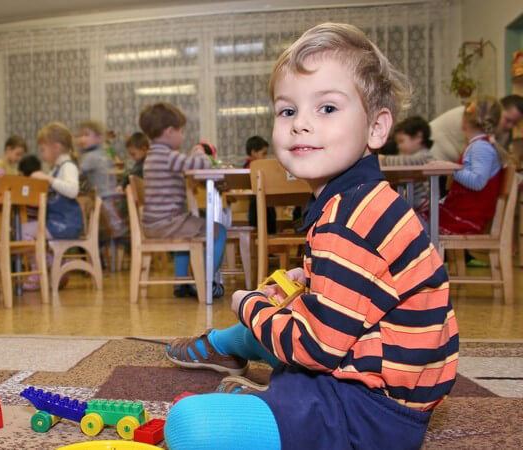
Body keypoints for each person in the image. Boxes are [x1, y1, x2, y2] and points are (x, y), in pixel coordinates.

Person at [164, 23, 456, 450]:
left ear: (377, 128)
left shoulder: (349, 220)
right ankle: (221, 349)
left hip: (367, 412)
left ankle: (244, 380)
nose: (301, 124)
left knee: (187, 424)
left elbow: (317, 348)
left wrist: (249, 304)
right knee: (280, 314)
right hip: (376, 382)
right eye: (288, 111)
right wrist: (308, 279)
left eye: (327, 109)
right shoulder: (361, 199)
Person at [139, 102, 227, 299]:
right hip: (168, 223)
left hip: (156, 224)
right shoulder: (167, 156)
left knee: (188, 233)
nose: (183, 136)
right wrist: (200, 153)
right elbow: (201, 165)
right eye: (181, 131)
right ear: (170, 131)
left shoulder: (153, 156)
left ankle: (181, 284)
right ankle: (204, 282)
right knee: (218, 231)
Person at [21, 122, 83, 290]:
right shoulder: (56, 168)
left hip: (64, 224)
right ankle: (57, 262)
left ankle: (39, 270)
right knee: (24, 229)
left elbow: (73, 190)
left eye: (43, 149)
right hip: (58, 222)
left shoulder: (67, 166)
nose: (41, 155)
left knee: (22, 231)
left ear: (56, 147)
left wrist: (48, 179)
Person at [438, 96, 507, 235]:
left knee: (412, 219)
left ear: (464, 122)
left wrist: (452, 169)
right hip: (464, 212)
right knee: (415, 216)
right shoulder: (479, 145)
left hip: (466, 216)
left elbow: (478, 182)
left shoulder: (481, 147)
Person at [430, 94, 523, 162]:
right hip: (433, 155)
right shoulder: (474, 117)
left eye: (515, 123)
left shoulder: (500, 130)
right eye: (507, 120)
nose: (510, 126)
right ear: (498, 110)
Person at [76, 121, 127, 239]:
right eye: (80, 135)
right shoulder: (103, 153)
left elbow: (77, 175)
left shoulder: (90, 156)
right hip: (112, 195)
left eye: (86, 135)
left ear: (98, 138)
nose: (82, 139)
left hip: (103, 197)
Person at [379, 115, 434, 217]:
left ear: (418, 137)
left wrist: (381, 159)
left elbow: (406, 162)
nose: (399, 146)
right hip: (416, 205)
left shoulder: (425, 156)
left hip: (426, 209)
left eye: (401, 141)